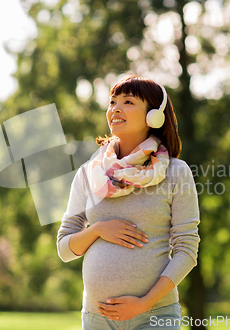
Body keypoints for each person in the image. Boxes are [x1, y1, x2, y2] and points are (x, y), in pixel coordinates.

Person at [57, 75, 200, 330]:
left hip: (155, 316)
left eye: (128, 101)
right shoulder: (89, 173)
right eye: (112, 102)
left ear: (153, 115)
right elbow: (65, 249)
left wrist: (144, 303)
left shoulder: (176, 172)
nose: (115, 109)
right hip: (97, 318)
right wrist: (98, 230)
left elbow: (187, 250)